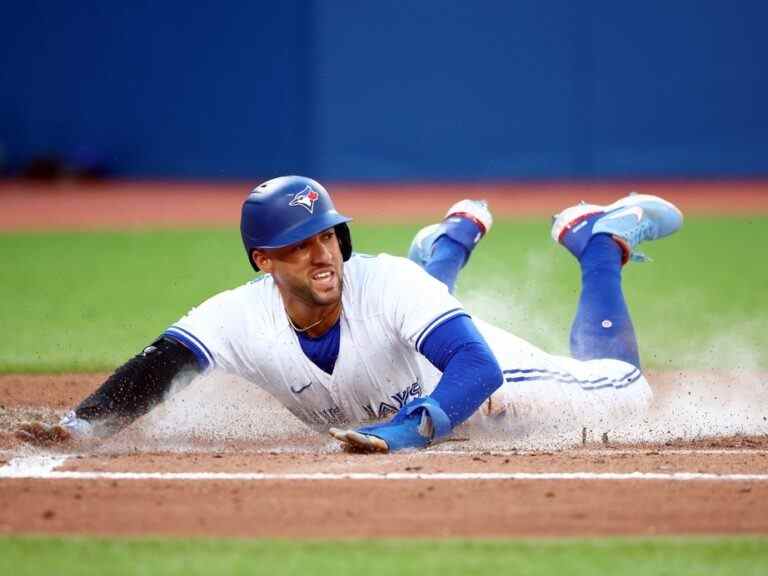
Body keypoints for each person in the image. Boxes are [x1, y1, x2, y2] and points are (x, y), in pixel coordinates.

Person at [17, 176, 682, 452]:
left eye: (329, 236)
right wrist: (79, 428)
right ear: (263, 260)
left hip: (488, 383)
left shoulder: (382, 281)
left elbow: (476, 366)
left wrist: (407, 433)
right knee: (405, 312)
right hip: (414, 355)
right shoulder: (236, 318)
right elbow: (161, 368)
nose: (322, 253)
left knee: (628, 391)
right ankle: (444, 252)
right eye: (301, 244)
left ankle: (601, 244)